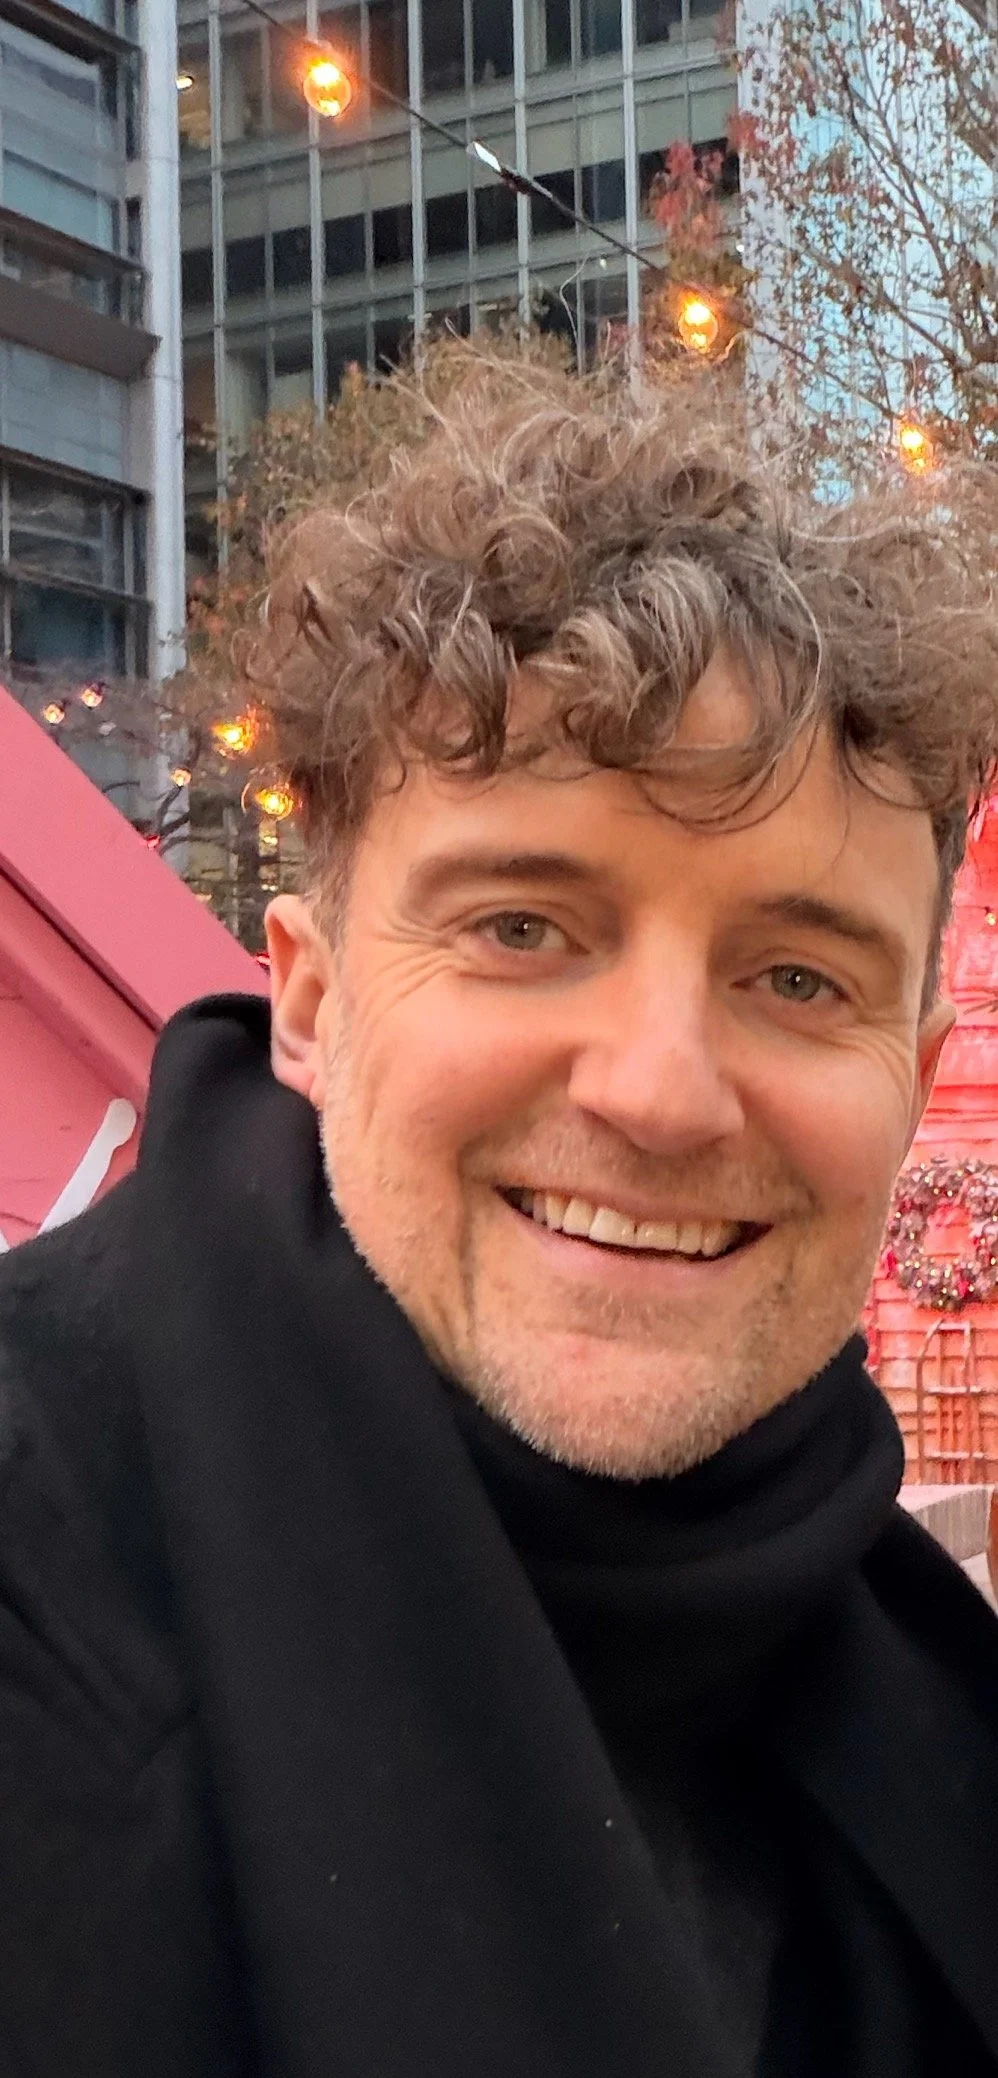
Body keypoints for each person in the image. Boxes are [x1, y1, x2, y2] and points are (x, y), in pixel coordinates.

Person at [2, 363, 998, 2078]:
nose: (661, 1090)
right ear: (307, 1000)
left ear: (911, 1073)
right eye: (524, 929)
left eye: (792, 973)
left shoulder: (934, 1697)